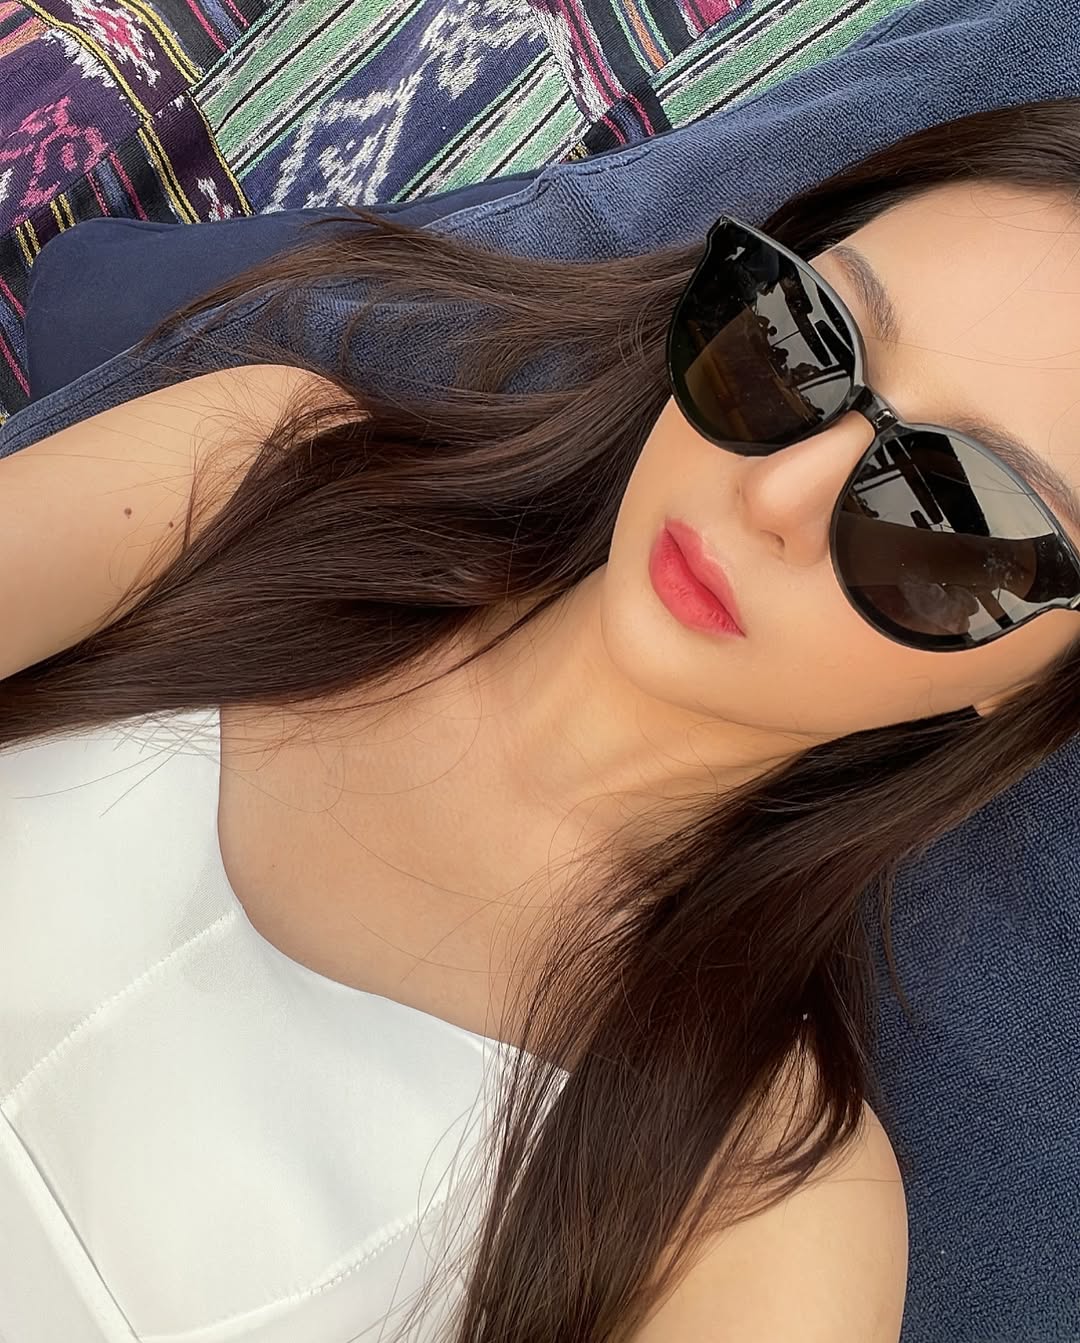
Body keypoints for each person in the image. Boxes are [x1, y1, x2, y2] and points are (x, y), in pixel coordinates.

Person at [3, 97, 1080, 1343]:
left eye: (953, 520)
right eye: (798, 337)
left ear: (1037, 683)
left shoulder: (766, 1207)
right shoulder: (256, 471)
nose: (777, 492)